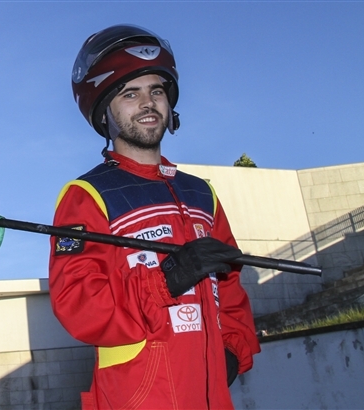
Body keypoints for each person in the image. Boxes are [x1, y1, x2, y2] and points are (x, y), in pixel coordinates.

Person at [49, 24, 261, 409]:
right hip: (138, 397)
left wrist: (231, 350)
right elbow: (78, 305)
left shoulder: (203, 194)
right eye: (130, 93)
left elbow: (231, 293)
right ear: (103, 113)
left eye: (157, 91)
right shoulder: (87, 196)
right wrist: (168, 280)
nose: (148, 103)